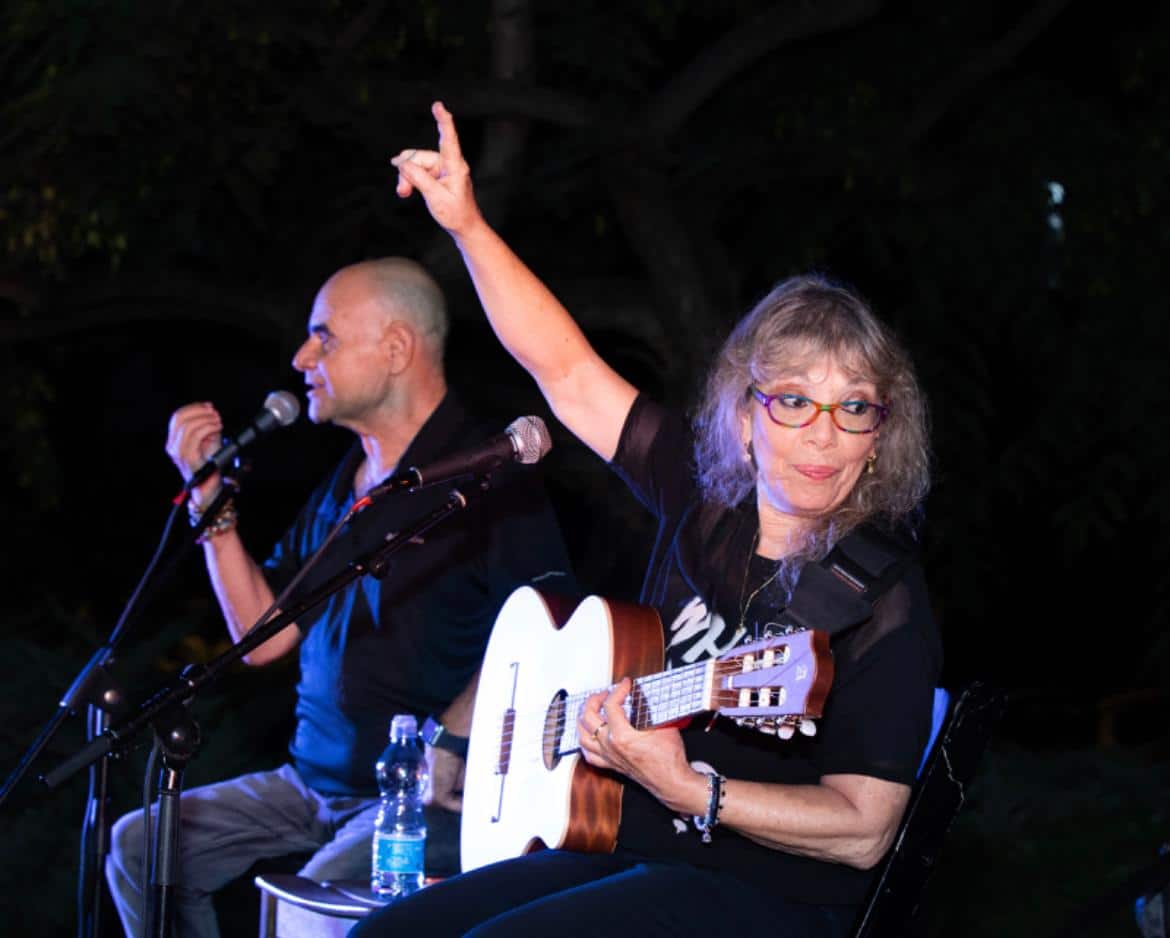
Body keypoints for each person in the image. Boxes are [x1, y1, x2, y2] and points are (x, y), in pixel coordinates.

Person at [350, 104, 942, 938]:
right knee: (387, 933)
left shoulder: (880, 595)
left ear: (878, 438)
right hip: (625, 849)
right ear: (745, 418)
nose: (823, 434)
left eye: (854, 408)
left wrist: (692, 789)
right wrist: (468, 227)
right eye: (793, 401)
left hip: (770, 897)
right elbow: (564, 369)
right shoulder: (702, 495)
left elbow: (865, 829)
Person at [105, 256, 574, 938]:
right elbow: (263, 638)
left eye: (323, 338)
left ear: (396, 349)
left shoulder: (485, 471)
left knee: (309, 905)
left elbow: (551, 620)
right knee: (140, 845)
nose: (301, 358)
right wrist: (210, 505)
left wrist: (451, 736)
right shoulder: (348, 481)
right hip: (309, 785)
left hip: (424, 793)